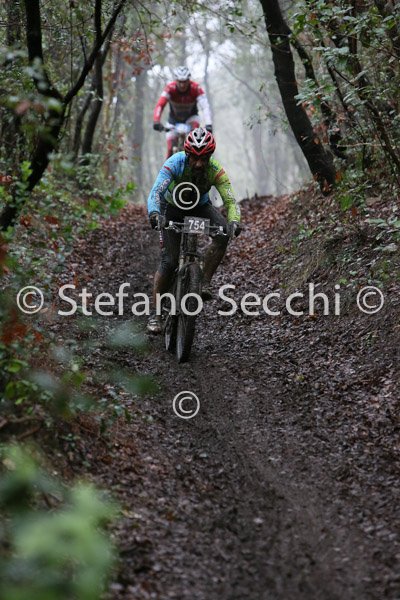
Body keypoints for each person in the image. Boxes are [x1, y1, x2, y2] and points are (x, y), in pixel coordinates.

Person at [146, 127, 241, 334]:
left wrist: (234, 221)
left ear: (210, 156)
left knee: (223, 234)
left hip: (200, 206)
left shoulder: (215, 170)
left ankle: (203, 282)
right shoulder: (174, 163)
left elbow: (231, 200)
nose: (199, 163)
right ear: (187, 154)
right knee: (169, 261)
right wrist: (154, 214)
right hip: (171, 207)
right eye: (194, 158)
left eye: (204, 158)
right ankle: (156, 314)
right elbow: (156, 192)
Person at [153, 66, 213, 158]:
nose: (182, 85)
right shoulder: (170, 88)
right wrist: (156, 120)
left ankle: (197, 164)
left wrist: (208, 123)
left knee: (196, 144)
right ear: (176, 80)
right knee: (170, 148)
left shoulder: (195, 88)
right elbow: (160, 105)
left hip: (191, 119)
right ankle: (167, 167)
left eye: (184, 81)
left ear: (189, 80)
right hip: (173, 120)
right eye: (180, 82)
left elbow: (205, 106)